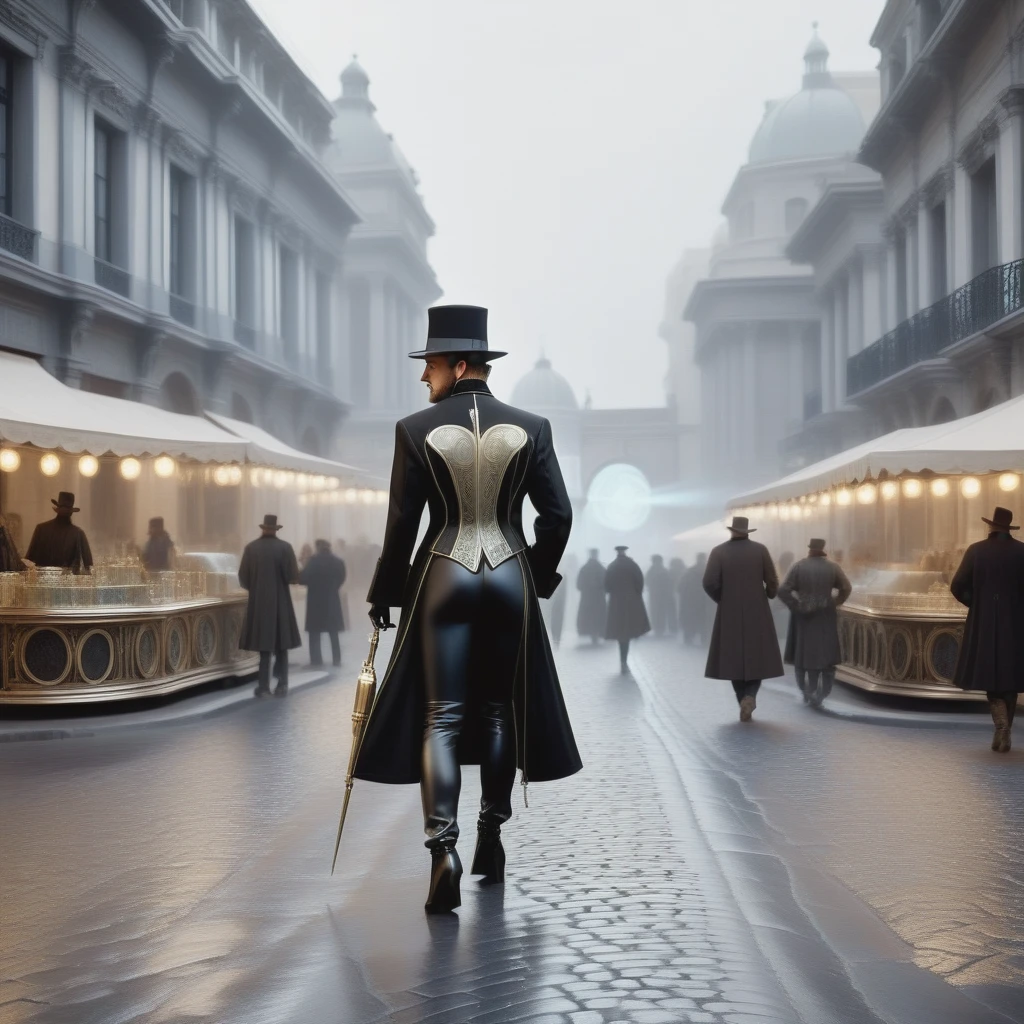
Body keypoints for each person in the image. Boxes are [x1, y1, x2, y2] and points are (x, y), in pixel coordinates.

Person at [354, 304, 582, 914]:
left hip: (444, 573)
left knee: (442, 717)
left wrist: (385, 594)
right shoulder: (533, 427)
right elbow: (558, 515)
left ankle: (442, 852)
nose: (423, 377)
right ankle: (492, 838)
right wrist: (534, 573)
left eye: (429, 365)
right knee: (499, 711)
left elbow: (402, 525)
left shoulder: (412, 429)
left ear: (458, 365)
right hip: (507, 574)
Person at [950, 506, 1024, 753]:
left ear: (990, 526)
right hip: (1016, 623)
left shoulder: (976, 551)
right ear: (1008, 528)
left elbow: (958, 585)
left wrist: (976, 602)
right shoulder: (1022, 552)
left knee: (990, 678)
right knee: (1011, 679)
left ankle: (1000, 728)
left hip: (985, 623)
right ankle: (1006, 730)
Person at [703, 517, 784, 721]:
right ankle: (750, 695)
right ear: (748, 531)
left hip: (728, 611)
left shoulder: (718, 551)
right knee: (758, 657)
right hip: (757, 609)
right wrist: (769, 594)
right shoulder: (760, 550)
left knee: (732, 659)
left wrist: (722, 598)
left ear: (732, 531)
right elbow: (772, 580)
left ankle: (742, 699)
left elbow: (709, 582)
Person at [778, 539, 851, 707]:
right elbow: (846, 588)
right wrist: (834, 602)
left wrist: (796, 605)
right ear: (822, 549)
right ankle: (821, 693)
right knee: (826, 653)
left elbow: (783, 590)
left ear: (810, 549)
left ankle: (807, 690)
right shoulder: (833, 567)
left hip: (803, 618)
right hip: (825, 615)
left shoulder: (799, 566)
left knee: (803, 654)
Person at [239, 514, 301, 699]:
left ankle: (263, 687)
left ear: (263, 528)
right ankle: (282, 685)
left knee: (263, 648)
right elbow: (293, 576)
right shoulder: (285, 548)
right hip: (281, 602)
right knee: (282, 646)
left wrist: (257, 587)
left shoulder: (251, 548)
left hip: (259, 603)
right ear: (276, 529)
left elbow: (243, 578)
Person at [298, 539, 346, 667]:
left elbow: (302, 579)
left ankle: (316, 660)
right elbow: (342, 578)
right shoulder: (338, 561)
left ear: (318, 548)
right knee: (333, 632)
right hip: (332, 600)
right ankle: (337, 659)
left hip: (316, 601)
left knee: (314, 632)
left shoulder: (313, 561)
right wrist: (334, 587)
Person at [604, 545, 650, 674]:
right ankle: (625, 657)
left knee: (620, 630)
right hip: (631, 601)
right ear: (625, 552)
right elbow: (640, 582)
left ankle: (622, 658)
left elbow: (606, 586)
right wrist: (636, 594)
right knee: (630, 628)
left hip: (616, 602)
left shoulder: (612, 566)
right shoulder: (632, 565)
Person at [24, 492, 93, 574]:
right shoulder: (78, 533)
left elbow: (29, 561)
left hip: (44, 581)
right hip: (67, 582)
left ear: (57, 510)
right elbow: (88, 566)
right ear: (71, 513)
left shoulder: (41, 529)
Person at [575, 549, 606, 643]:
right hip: (599, 598)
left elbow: (578, 585)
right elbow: (607, 583)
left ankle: (592, 634)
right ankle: (596, 633)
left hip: (587, 599)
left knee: (589, 616)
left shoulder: (584, 568)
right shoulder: (601, 568)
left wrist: (586, 588)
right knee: (598, 616)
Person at [679, 553, 710, 645]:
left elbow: (680, 587)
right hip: (705, 601)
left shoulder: (689, 571)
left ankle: (688, 638)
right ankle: (704, 639)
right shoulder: (710, 570)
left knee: (690, 619)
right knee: (704, 620)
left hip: (691, 601)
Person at [645, 554, 674, 637]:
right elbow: (669, 583)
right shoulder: (664, 571)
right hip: (661, 596)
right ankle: (660, 629)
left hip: (655, 596)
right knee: (660, 612)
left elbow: (647, 581)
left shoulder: (652, 571)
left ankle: (658, 629)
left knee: (656, 612)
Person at [772, 551, 795, 641]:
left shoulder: (783, 569)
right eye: (791, 560)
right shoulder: (779, 570)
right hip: (779, 602)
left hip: (780, 604)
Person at [667, 557, 686, 636]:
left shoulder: (670, 572)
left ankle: (674, 626)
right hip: (682, 594)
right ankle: (681, 625)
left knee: (673, 611)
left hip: (673, 594)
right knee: (681, 610)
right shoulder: (685, 571)